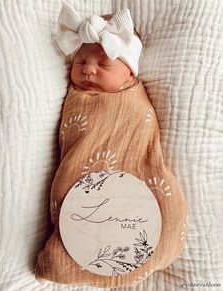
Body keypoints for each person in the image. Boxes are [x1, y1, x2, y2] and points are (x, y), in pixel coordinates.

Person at [35, 2, 187, 287]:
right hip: (88, 183)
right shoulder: (76, 97)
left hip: (135, 176)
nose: (89, 70)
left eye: (104, 63)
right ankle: (67, 259)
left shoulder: (132, 99)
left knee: (160, 212)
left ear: (130, 73)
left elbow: (140, 141)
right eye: (81, 62)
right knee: (79, 220)